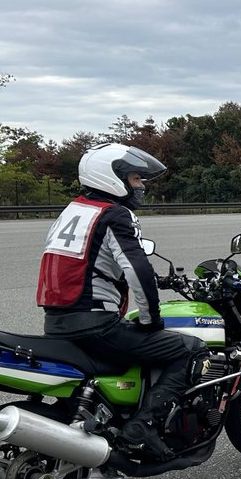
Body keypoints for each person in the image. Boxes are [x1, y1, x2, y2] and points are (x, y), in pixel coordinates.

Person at [36, 142, 202, 460]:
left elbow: (89, 265)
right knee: (189, 351)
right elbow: (136, 269)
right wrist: (151, 319)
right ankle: (142, 428)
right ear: (113, 177)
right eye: (137, 178)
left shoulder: (72, 212)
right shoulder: (115, 214)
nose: (140, 186)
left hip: (57, 322)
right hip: (95, 322)